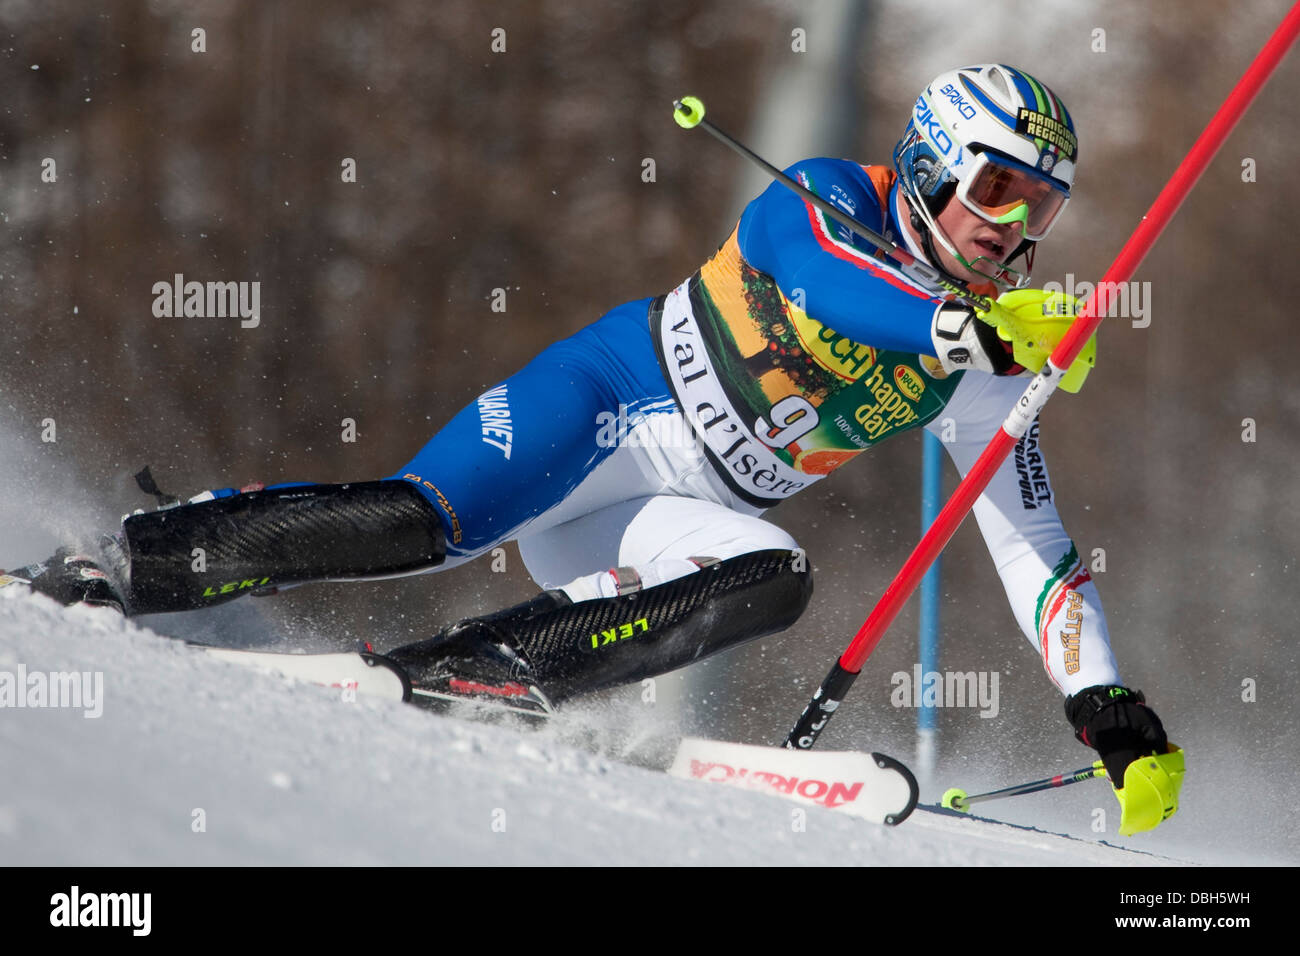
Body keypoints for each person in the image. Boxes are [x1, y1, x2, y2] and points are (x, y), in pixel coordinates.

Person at [4, 64, 1180, 829]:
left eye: (1043, 207)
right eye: (997, 189)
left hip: (664, 509)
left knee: (773, 571)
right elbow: (812, 267)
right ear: (930, 163)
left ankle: (479, 666)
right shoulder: (830, 198)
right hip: (609, 403)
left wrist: (1105, 702)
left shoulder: (983, 348)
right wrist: (951, 324)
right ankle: (130, 561)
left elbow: (1024, 531)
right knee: (421, 523)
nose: (1014, 226)